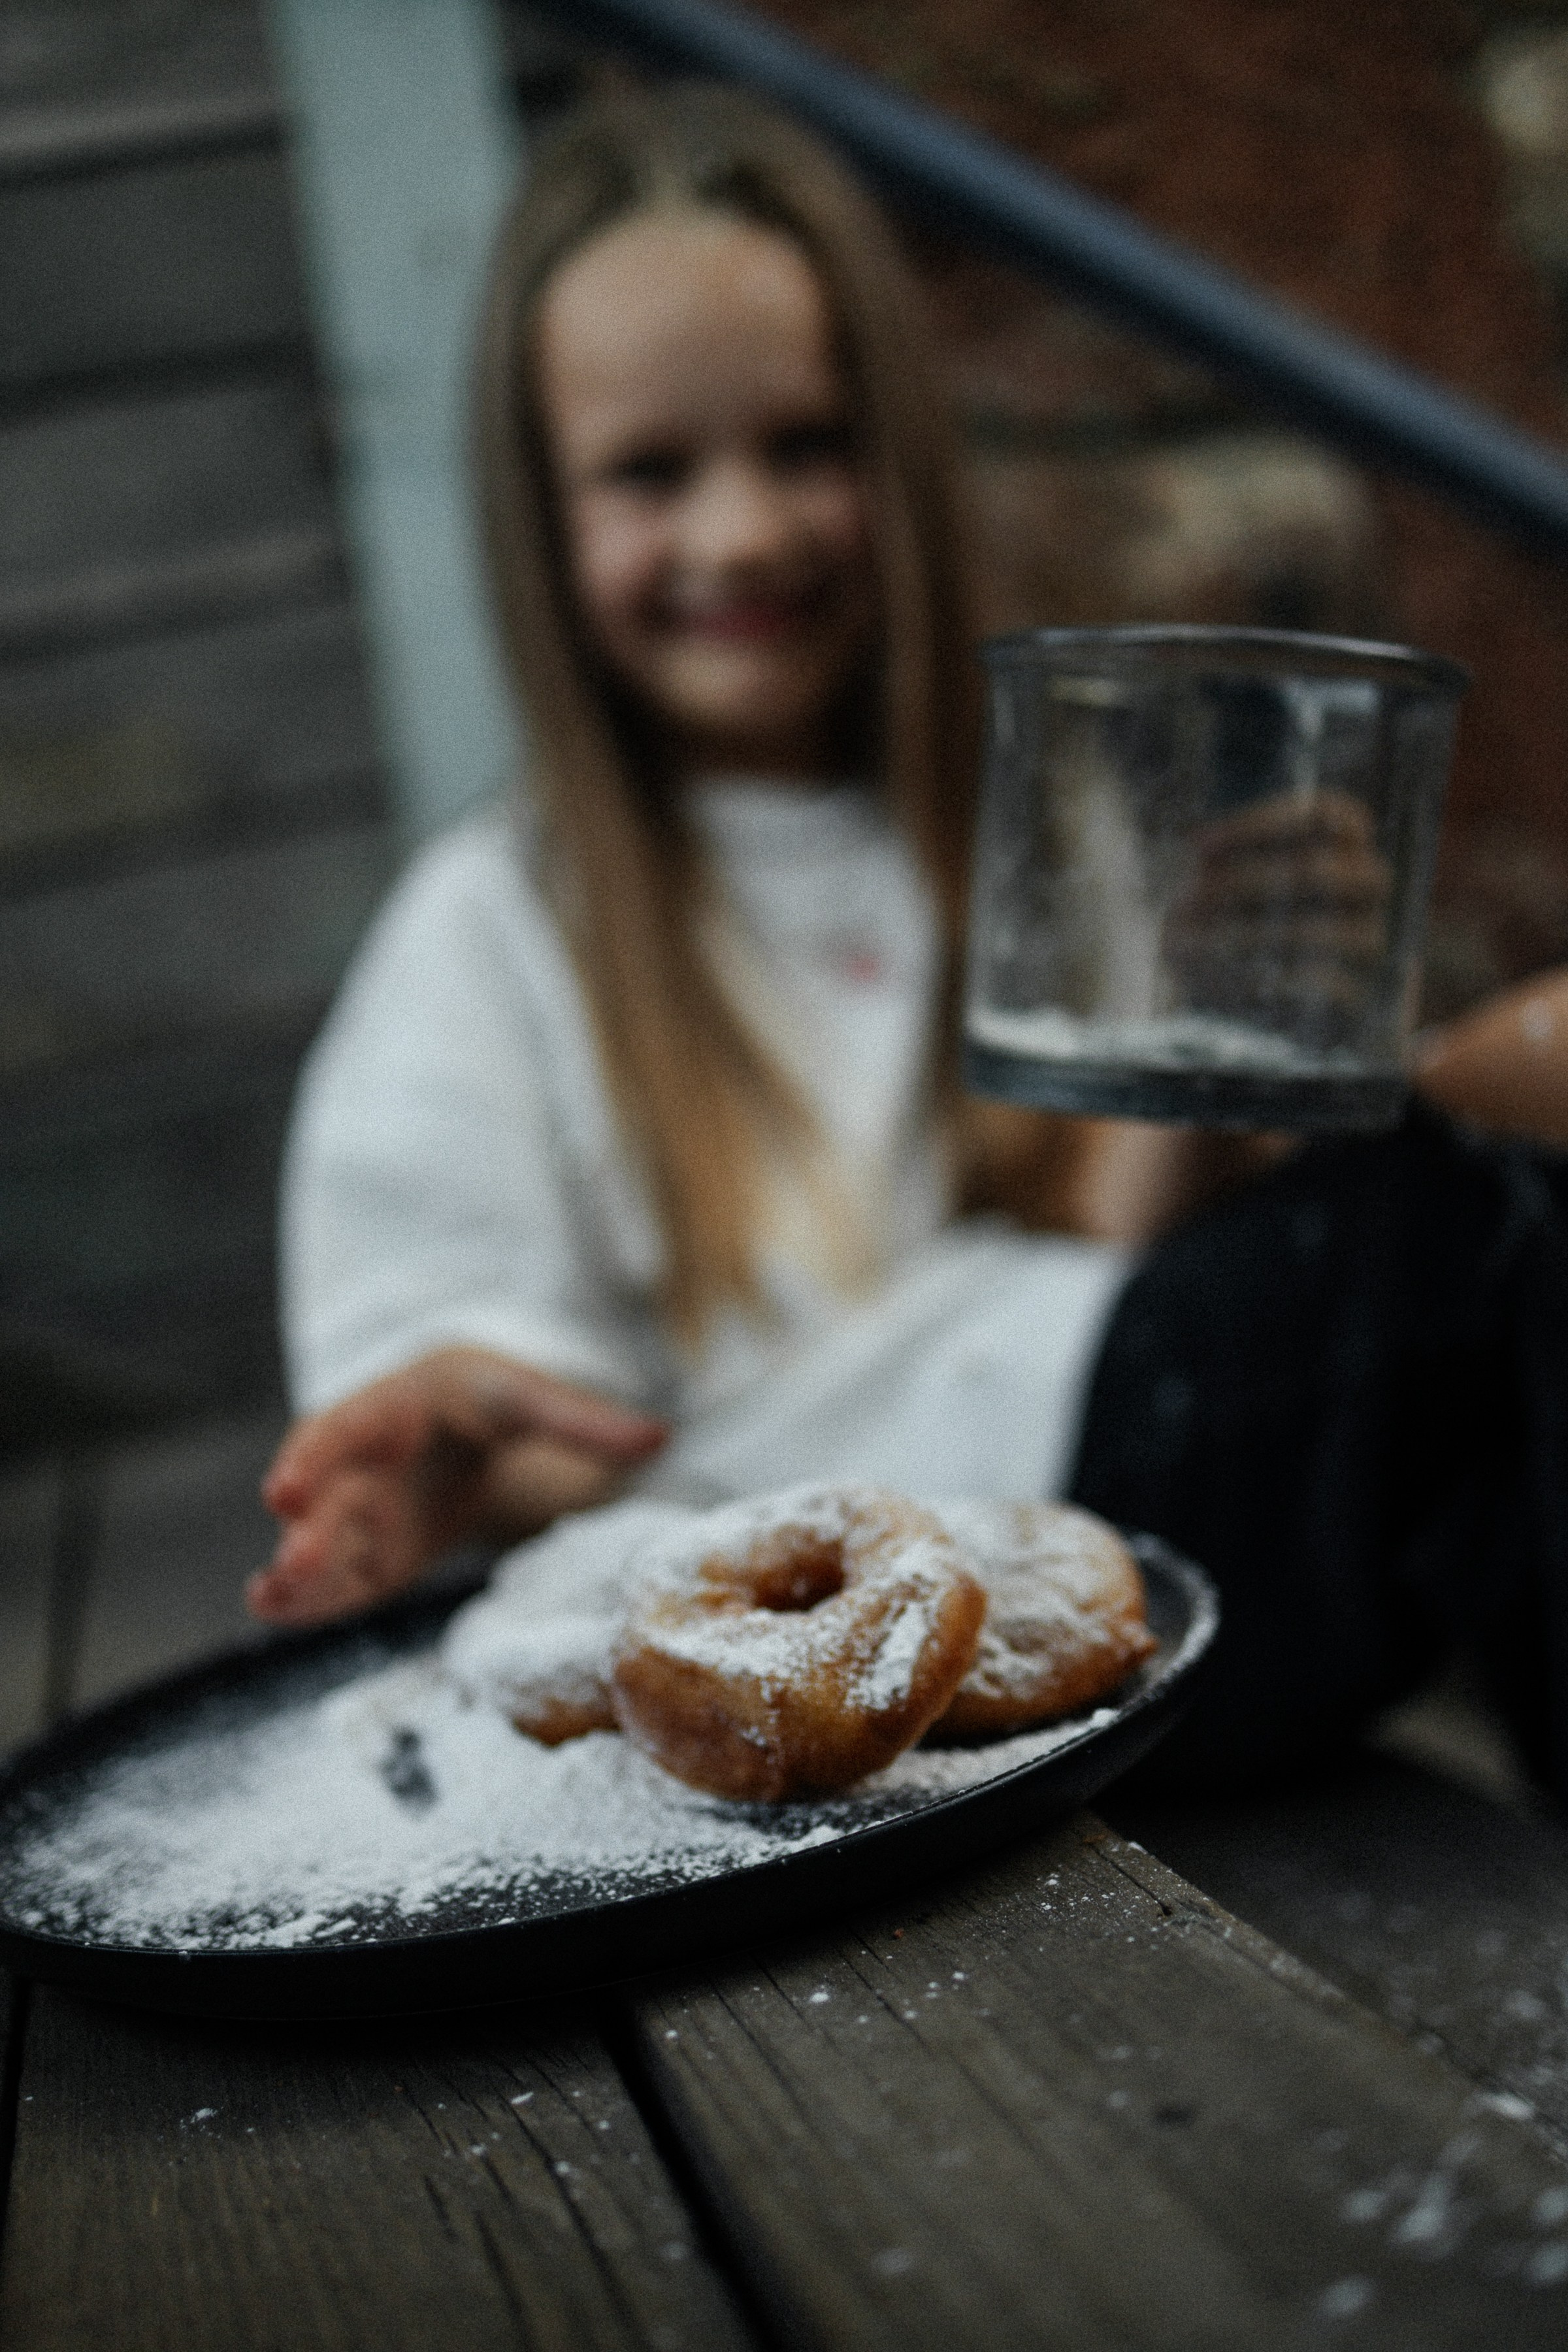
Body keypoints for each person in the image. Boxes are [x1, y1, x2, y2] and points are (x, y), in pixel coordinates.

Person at [249, 82, 1568, 1799]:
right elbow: (490, 1399)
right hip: (866, 1651)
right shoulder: (494, 928)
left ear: (899, 453)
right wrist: (440, 1439)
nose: (744, 532)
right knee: (1465, 1252)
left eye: (804, 447)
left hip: (1097, 1541)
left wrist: (1212, 1028)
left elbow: (1110, 1249)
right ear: (538, 516)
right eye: (654, 473)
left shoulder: (1003, 825)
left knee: (1458, 1215)